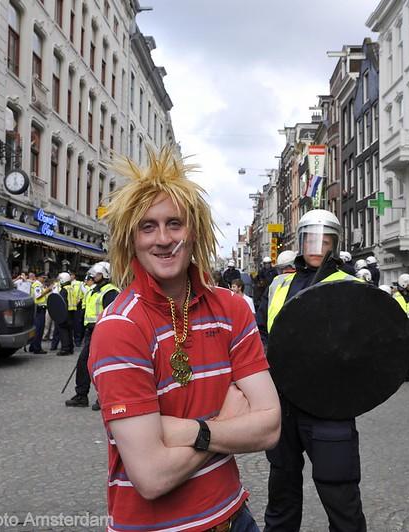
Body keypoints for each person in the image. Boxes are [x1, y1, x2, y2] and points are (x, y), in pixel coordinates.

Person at [89, 145, 280, 531]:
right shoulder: (119, 328)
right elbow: (152, 476)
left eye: (174, 223)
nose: (163, 238)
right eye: (148, 226)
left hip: (235, 516)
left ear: (195, 232)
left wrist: (186, 430)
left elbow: (271, 427)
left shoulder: (232, 309)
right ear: (131, 239)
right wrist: (224, 421)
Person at [257, 209, 367, 532]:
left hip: (328, 406)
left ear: (335, 243)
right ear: (301, 242)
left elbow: (365, 345)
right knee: (282, 491)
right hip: (284, 403)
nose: (317, 247)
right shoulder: (279, 284)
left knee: (341, 497)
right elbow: (261, 332)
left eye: (325, 240)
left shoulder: (349, 285)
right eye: (311, 239)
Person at [65, 261, 118, 409]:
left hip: (104, 333)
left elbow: (111, 313)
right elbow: (86, 313)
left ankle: (104, 398)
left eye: (98, 274)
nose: (95, 276)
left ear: (106, 275)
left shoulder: (110, 291)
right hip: (90, 332)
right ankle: (81, 396)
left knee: (103, 365)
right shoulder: (93, 290)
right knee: (83, 362)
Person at [28, 272, 52, 354]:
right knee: (39, 329)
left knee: (37, 329)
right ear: (38, 277)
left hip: (39, 309)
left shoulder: (38, 285)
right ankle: (37, 348)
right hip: (39, 309)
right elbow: (38, 296)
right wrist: (47, 290)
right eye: (43, 277)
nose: (44, 279)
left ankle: (32, 346)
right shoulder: (37, 285)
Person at [54, 271, 75, 355]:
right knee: (69, 331)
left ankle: (65, 349)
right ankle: (70, 348)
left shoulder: (64, 290)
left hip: (65, 312)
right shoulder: (71, 288)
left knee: (63, 331)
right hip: (72, 312)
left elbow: (62, 303)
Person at [66, 271, 86, 346]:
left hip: (78, 306)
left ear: (74, 276)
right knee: (70, 324)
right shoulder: (67, 284)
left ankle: (77, 340)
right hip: (69, 307)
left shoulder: (80, 283)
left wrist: (80, 300)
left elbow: (84, 293)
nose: (69, 277)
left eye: (70, 275)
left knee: (77, 324)